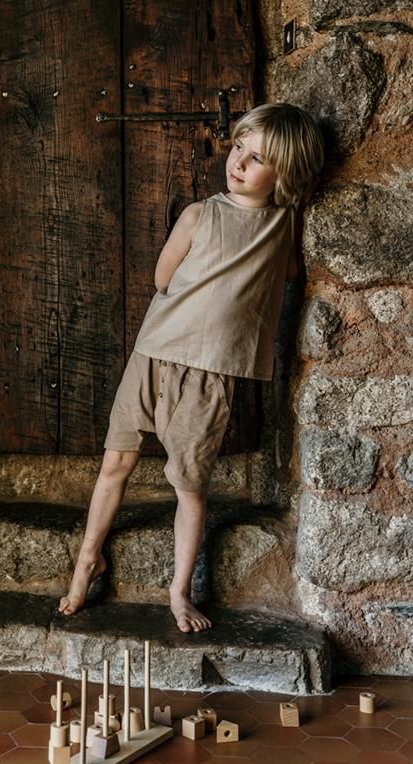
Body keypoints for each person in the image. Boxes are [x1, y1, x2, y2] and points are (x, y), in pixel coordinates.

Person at [59, 102, 325, 633]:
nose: (238, 162)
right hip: (155, 353)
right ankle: (87, 559)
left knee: (189, 484)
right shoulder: (200, 215)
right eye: (238, 148)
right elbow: (163, 278)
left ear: (285, 174)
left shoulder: (283, 224)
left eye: (257, 158)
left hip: (211, 372)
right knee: (116, 461)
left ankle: (178, 592)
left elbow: (291, 272)